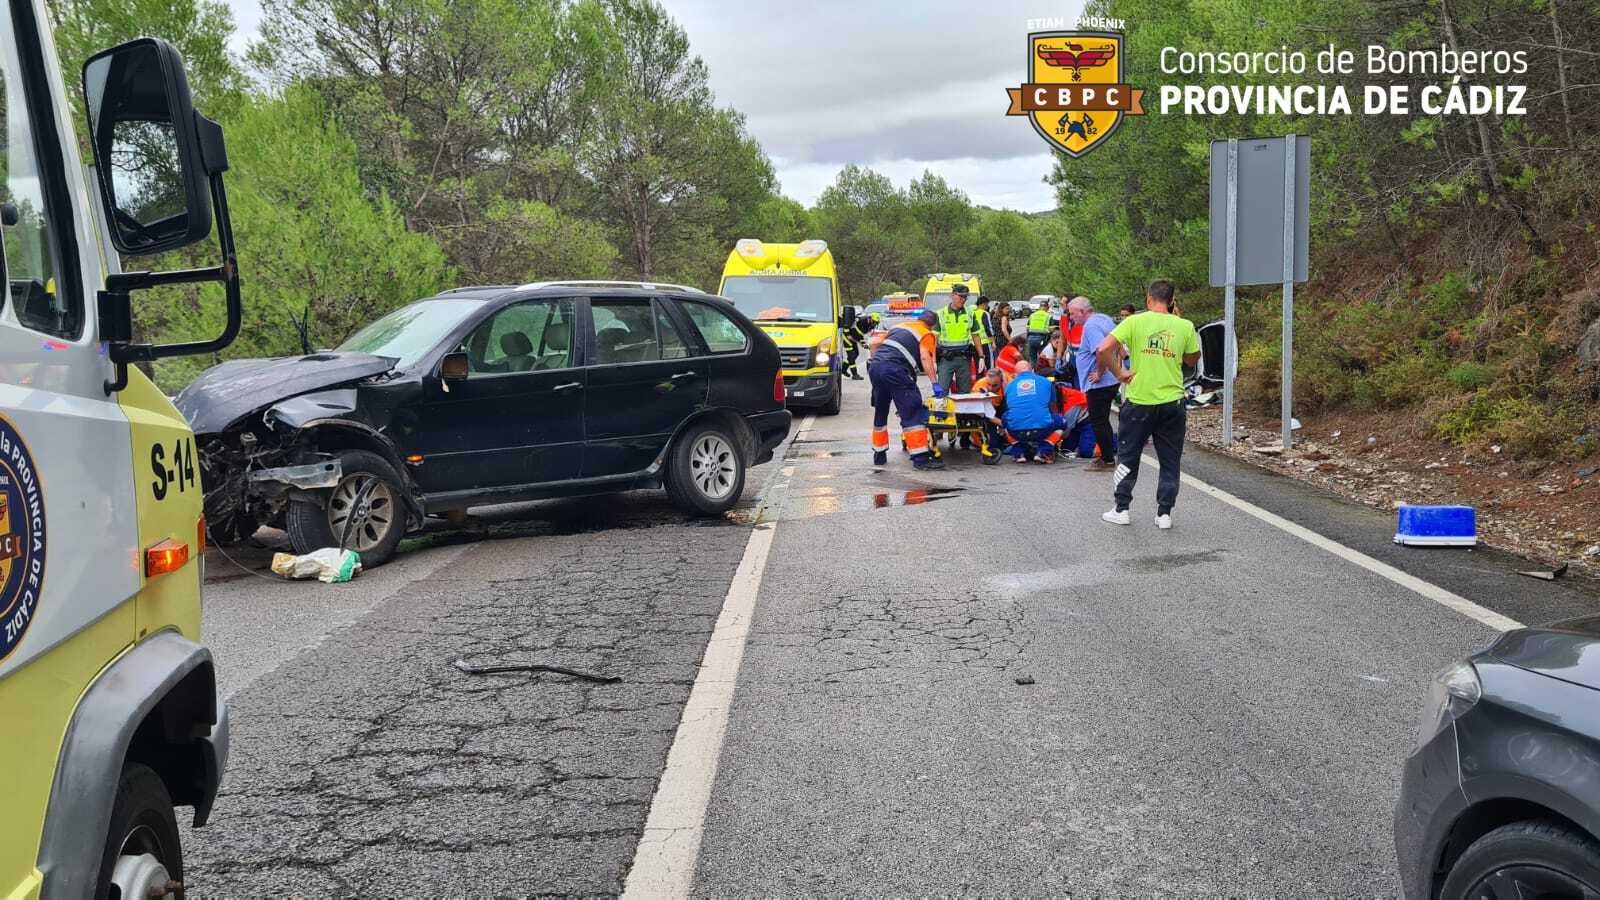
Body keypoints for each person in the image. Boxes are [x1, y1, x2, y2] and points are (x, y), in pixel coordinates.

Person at [1095, 280, 1199, 529]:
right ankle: (1164, 514)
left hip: (1139, 401)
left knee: (1128, 456)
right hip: (1172, 403)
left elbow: (1103, 349)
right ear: (1172, 301)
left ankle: (1121, 508)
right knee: (1170, 459)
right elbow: (1192, 360)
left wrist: (1120, 373)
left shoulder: (1133, 321)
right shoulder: (1184, 326)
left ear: (1149, 298)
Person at [868, 309, 945, 470]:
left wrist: (878, 361)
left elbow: (874, 344)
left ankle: (879, 454)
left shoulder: (899, 326)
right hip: (895, 370)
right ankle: (920, 459)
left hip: (876, 368)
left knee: (881, 411)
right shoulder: (926, 333)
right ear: (932, 325)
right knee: (912, 411)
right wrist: (934, 383)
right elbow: (925, 357)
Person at [1068, 296, 1119, 470]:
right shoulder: (1105, 319)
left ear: (1083, 312)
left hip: (1100, 383)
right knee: (1103, 420)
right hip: (1111, 380)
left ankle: (1107, 459)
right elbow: (1116, 342)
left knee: (1098, 421)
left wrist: (1100, 372)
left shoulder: (1090, 326)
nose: (1071, 317)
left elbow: (1101, 350)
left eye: (1073, 313)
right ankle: (1108, 453)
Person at [998, 361, 1073, 464]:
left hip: (1016, 431)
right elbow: (1053, 409)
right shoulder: (1046, 382)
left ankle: (1018, 452)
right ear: (1032, 371)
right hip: (1042, 429)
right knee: (1062, 422)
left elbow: (1011, 410)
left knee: (1006, 420)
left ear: (1015, 374)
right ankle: (1044, 449)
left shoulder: (1009, 386)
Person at [933, 284, 983, 394]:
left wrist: (981, 356)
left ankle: (963, 412)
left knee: (965, 392)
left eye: (965, 297)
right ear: (953, 295)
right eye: (961, 296)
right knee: (942, 391)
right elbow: (934, 339)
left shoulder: (970, 314)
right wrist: (933, 361)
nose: (963, 300)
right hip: (946, 358)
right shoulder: (940, 314)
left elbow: (976, 336)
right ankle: (943, 412)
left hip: (964, 358)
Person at [842, 311, 875, 380]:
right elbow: (846, 324)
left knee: (856, 354)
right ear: (870, 319)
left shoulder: (867, 326)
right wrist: (847, 334)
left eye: (876, 323)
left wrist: (863, 344)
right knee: (851, 356)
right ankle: (855, 375)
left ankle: (843, 369)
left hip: (853, 339)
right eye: (874, 322)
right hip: (847, 338)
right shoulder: (860, 320)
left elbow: (860, 335)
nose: (874, 324)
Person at [974, 295, 996, 370]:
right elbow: (988, 328)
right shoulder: (984, 313)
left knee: (979, 366)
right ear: (983, 304)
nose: (988, 306)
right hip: (985, 343)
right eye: (987, 304)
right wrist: (993, 342)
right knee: (990, 365)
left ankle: (980, 380)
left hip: (974, 344)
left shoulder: (972, 313)